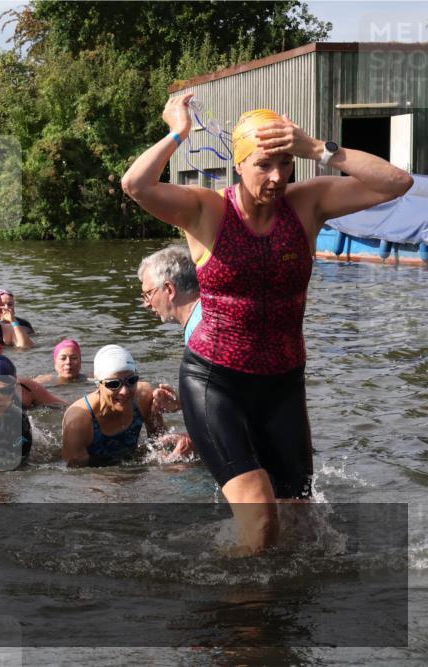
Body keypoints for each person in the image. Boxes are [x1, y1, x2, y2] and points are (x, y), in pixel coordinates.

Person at [121, 96, 413, 550]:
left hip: (282, 387)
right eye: (264, 165)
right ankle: (242, 614)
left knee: (301, 532)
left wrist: (317, 149)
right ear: (239, 163)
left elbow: (397, 182)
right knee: (262, 523)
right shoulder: (207, 210)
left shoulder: (307, 204)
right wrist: (178, 131)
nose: (278, 177)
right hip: (216, 383)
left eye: (285, 163)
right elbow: (136, 184)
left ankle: (272, 605)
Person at [62, 345, 187, 468]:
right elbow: (78, 477)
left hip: (130, 461)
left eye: (131, 381)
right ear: (97, 383)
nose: (125, 391)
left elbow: (160, 442)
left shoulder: (143, 397)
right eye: (114, 384)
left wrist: (179, 404)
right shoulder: (78, 422)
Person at [138, 245, 202, 344]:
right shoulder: (209, 312)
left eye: (149, 294)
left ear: (169, 289)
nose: (146, 304)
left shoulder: (199, 334)